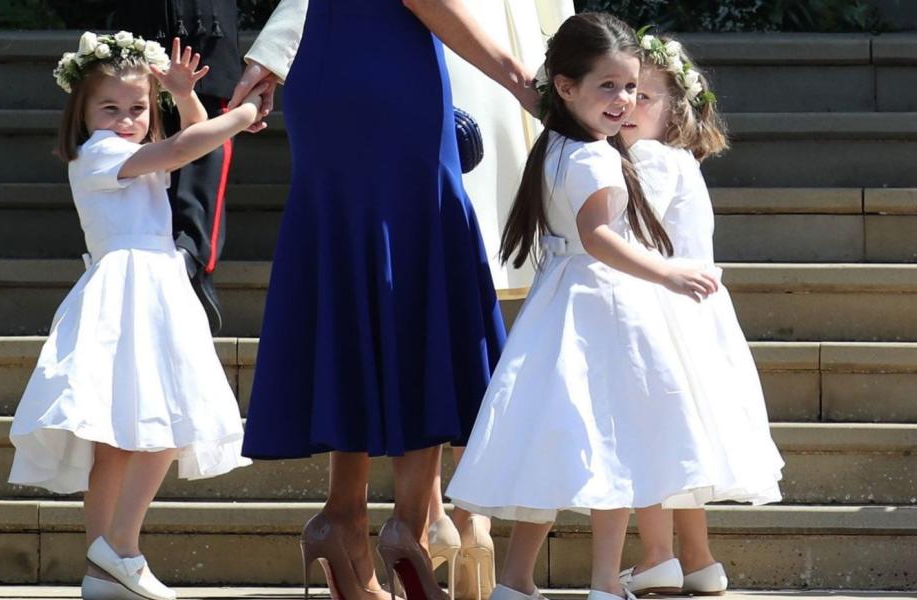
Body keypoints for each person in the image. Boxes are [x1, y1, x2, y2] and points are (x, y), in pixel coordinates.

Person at [230, 2, 539, 600]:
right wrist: (519, 79)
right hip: (390, 73)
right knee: (420, 276)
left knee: (351, 276)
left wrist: (270, 57)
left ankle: (342, 519)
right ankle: (410, 528)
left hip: (326, 66)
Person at [446, 13, 747, 600]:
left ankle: (516, 579)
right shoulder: (597, 156)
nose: (624, 100)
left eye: (632, 87)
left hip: (560, 303)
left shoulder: (558, 142)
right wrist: (667, 269)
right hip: (605, 307)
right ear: (564, 87)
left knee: (553, 440)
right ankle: (606, 584)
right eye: (608, 85)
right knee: (616, 446)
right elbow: (598, 236)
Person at [7, 32, 263, 600]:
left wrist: (182, 95)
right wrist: (243, 113)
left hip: (151, 283)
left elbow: (194, 144)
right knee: (167, 421)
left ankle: (104, 574)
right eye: (111, 108)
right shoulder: (99, 153)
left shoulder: (132, 151)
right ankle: (120, 545)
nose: (126, 119)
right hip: (133, 286)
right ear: (84, 112)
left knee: (120, 441)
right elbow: (182, 150)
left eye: (139, 109)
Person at [615, 31, 783, 596]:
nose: (629, 105)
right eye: (626, 90)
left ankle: (658, 554)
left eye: (646, 96)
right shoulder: (679, 159)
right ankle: (699, 558)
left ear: (674, 110)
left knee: (653, 438)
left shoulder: (648, 158)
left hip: (662, 313)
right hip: (693, 316)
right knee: (682, 444)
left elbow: (628, 234)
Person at [114, 0, 243, 333]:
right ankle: (144, 249)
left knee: (209, 117)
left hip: (205, 22)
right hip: (148, 20)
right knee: (137, 117)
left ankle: (192, 259)